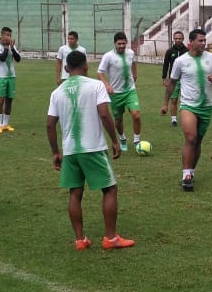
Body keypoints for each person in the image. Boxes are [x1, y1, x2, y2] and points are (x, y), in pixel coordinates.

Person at [47, 50, 135, 250]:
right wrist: (115, 140)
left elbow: (50, 124)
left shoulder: (57, 92)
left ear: (66, 68)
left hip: (70, 150)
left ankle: (80, 240)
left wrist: (55, 152)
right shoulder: (96, 85)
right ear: (86, 66)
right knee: (110, 189)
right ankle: (111, 238)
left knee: (75, 192)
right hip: (93, 148)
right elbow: (104, 114)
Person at [161, 28, 212, 191]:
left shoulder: (211, 58)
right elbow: (172, 83)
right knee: (191, 138)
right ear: (191, 42)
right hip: (188, 106)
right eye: (200, 40)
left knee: (198, 141)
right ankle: (186, 176)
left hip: (206, 107)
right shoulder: (180, 61)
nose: (204, 43)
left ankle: (191, 171)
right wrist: (165, 103)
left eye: (205, 40)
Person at [97, 32, 143, 152]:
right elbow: (100, 72)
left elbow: (133, 63)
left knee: (136, 115)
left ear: (126, 42)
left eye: (123, 43)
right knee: (118, 120)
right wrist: (107, 85)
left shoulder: (130, 53)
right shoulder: (108, 56)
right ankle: (122, 138)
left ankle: (136, 141)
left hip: (130, 91)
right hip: (116, 93)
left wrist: (135, 74)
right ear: (114, 43)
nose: (121, 46)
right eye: (119, 44)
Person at [0, 26, 21, 133]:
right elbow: (2, 58)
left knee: (9, 100)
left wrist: (12, 48)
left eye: (10, 35)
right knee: (0, 100)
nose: (9, 37)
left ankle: (5, 124)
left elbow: (18, 59)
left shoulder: (11, 46)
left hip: (11, 76)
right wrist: (7, 48)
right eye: (7, 35)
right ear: (2, 35)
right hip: (0, 77)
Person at [161, 30, 187, 126]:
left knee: (185, 100)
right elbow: (165, 65)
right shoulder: (170, 51)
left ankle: (187, 118)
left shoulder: (187, 51)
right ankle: (174, 120)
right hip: (173, 80)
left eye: (180, 38)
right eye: (176, 38)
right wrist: (164, 78)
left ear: (183, 39)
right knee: (174, 99)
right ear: (174, 39)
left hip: (185, 79)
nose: (178, 40)